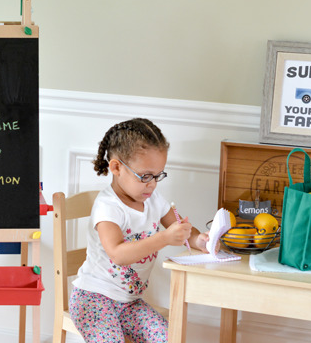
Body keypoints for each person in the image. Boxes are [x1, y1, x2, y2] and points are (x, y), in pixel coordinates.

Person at [70, 118, 209, 343]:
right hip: (94, 299)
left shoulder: (153, 199)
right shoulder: (108, 207)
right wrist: (164, 238)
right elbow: (118, 253)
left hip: (130, 303)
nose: (152, 184)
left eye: (158, 176)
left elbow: (181, 227)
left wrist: (200, 240)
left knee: (168, 338)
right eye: (145, 176)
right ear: (116, 167)